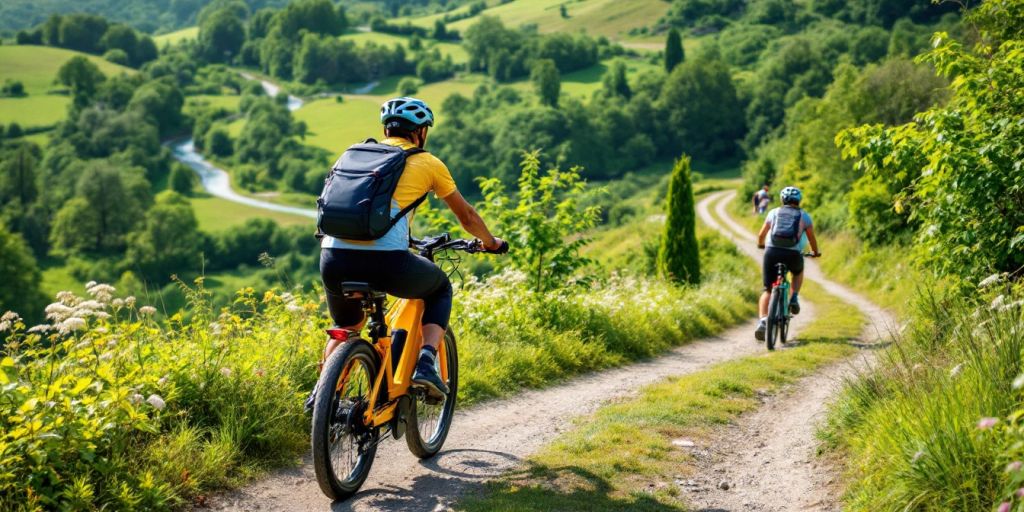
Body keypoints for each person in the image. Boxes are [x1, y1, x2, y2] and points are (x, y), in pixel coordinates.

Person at [317, 97, 506, 400]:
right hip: (387, 262)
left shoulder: (351, 156)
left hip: (333, 258)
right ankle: (426, 362)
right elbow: (466, 216)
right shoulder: (427, 162)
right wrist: (490, 243)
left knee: (346, 325)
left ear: (386, 129)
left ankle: (324, 397)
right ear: (420, 132)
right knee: (440, 288)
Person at [754, 186, 820, 341]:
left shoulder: (773, 212)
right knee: (797, 272)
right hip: (793, 254)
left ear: (782, 199)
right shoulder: (804, 216)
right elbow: (811, 238)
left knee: (768, 290)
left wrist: (761, 245)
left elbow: (761, 234)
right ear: (799, 201)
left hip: (772, 253)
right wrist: (815, 252)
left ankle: (763, 320)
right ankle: (794, 297)